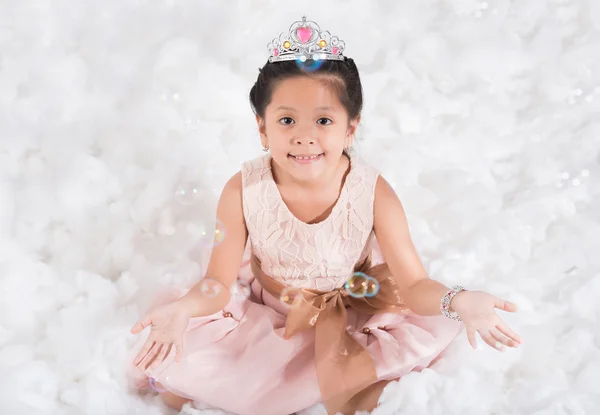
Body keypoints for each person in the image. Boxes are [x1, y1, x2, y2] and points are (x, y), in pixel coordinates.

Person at [127, 15, 522, 415]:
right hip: (272, 310)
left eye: (323, 120)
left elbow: (415, 284)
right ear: (262, 129)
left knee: (336, 388)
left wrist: (459, 301)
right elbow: (216, 281)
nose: (303, 135)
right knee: (186, 377)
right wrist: (185, 309)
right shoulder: (243, 189)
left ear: (351, 128)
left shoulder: (373, 193)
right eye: (286, 121)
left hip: (350, 309)